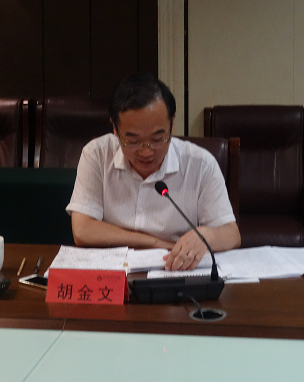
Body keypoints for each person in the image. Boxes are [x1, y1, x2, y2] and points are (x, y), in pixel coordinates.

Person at [66, 73, 240, 271]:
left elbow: (231, 234)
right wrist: (155, 243)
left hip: (176, 271)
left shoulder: (201, 164)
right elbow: (83, 230)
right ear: (115, 129)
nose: (146, 152)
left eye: (157, 139)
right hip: (112, 273)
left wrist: (207, 236)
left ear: (172, 124)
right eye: (133, 141)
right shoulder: (97, 154)